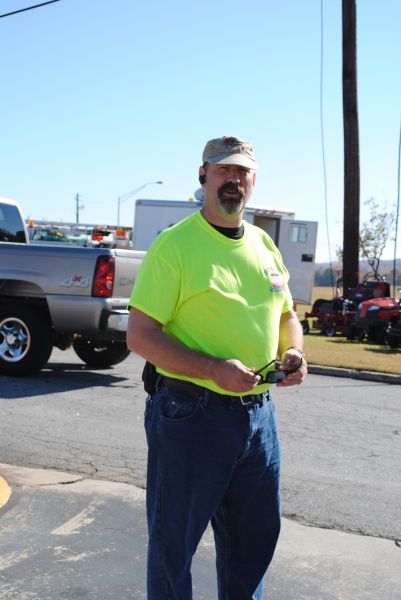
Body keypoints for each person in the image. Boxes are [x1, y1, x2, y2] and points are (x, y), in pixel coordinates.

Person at [127, 135, 307, 600]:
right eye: (223, 169)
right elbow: (141, 336)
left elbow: (288, 315)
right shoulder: (176, 246)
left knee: (253, 547)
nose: (233, 179)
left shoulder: (265, 245)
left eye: (242, 171)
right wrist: (212, 370)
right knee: (174, 552)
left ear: (253, 180)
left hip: (259, 417)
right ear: (203, 175)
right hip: (192, 414)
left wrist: (296, 353)